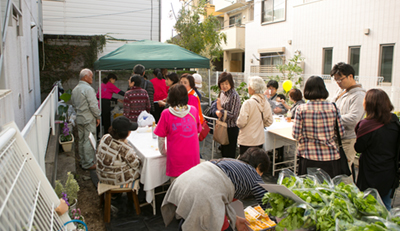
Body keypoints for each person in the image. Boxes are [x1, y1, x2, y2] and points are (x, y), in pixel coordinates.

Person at [161, 147, 271, 231]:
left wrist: (235, 219)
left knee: (190, 217)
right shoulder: (253, 174)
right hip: (202, 192)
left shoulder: (229, 162)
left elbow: (220, 195)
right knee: (215, 225)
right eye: (261, 172)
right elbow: (267, 201)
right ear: (258, 166)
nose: (260, 176)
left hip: (184, 181)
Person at [354, 89, 400, 211]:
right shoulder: (395, 122)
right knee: (386, 206)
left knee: (367, 207)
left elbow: (359, 148)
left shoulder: (366, 125)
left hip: (370, 172)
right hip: (389, 172)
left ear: (369, 104)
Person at [292, 76, 345, 178]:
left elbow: (295, 134)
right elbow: (341, 133)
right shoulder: (333, 108)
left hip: (308, 155)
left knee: (308, 191)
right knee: (328, 191)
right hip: (330, 156)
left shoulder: (301, 109)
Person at [154, 84, 201, 181]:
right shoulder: (193, 110)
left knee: (177, 188)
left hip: (176, 159)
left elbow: (161, 137)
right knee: (193, 185)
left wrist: (164, 152)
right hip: (193, 158)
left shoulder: (166, 113)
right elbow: (197, 132)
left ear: (170, 98)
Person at [331, 62, 366, 170]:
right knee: (336, 169)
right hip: (337, 137)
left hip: (348, 139)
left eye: (340, 79)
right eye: (336, 79)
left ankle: (349, 187)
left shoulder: (359, 95)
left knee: (344, 170)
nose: (338, 82)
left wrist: (332, 118)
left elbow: (354, 118)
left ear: (350, 76)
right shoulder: (341, 91)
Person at [96, 116, 141, 185]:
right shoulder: (124, 148)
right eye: (130, 130)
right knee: (141, 170)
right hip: (116, 180)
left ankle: (116, 195)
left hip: (102, 175)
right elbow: (136, 165)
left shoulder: (105, 137)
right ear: (126, 133)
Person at [71, 68, 100, 170]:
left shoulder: (75, 89)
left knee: (82, 140)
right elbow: (93, 106)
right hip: (88, 118)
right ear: (86, 77)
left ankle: (83, 161)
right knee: (89, 140)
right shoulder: (88, 89)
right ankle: (88, 163)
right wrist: (97, 116)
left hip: (79, 118)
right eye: (91, 76)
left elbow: (74, 104)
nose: (92, 79)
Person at [237, 76, 273, 155]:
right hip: (259, 140)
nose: (248, 87)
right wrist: (260, 125)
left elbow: (241, 122)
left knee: (245, 164)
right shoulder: (266, 103)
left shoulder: (248, 103)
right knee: (255, 164)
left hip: (246, 140)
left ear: (252, 88)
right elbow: (269, 121)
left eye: (249, 85)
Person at [215, 72, 241, 158]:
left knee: (229, 154)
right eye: (222, 84)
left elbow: (234, 115)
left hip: (231, 128)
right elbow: (218, 106)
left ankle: (230, 171)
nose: (224, 86)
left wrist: (221, 110)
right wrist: (218, 111)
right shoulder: (222, 93)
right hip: (223, 127)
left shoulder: (234, 96)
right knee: (223, 152)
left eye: (226, 83)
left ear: (231, 83)